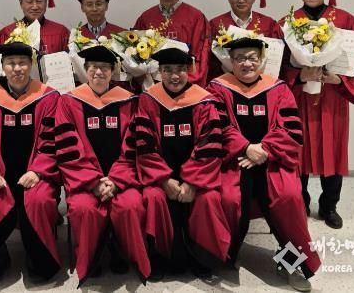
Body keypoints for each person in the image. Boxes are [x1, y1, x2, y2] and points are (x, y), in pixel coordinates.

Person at [207, 37, 320, 292]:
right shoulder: (217, 88)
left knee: (289, 198)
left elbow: (290, 128)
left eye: (252, 58)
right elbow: (216, 126)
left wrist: (264, 150)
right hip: (234, 160)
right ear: (231, 61)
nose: (246, 63)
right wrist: (246, 147)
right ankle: (226, 257)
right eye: (240, 58)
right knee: (228, 198)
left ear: (261, 60)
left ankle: (291, 263)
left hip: (273, 160)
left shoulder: (278, 89)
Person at [280, 0, 354, 229]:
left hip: (332, 98)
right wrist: (299, 75)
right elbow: (277, 66)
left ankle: (329, 206)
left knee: (334, 149)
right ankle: (301, 202)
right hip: (299, 98)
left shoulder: (345, 20)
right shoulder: (288, 22)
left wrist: (339, 79)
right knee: (298, 150)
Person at [0, 42, 62, 283]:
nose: (16, 68)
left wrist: (38, 171)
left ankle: (38, 259)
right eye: (10, 63)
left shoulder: (49, 97)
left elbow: (52, 141)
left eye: (22, 63)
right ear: (3, 66)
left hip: (36, 172)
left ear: (31, 65)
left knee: (39, 200)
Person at [54, 45, 150, 285]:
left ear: (112, 72)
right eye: (94, 67)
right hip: (85, 182)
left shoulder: (128, 101)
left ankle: (121, 251)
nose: (99, 72)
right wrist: (93, 182)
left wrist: (116, 181)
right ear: (85, 70)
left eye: (105, 67)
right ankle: (91, 259)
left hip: (122, 179)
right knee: (84, 209)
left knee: (130, 205)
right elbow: (68, 148)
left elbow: (133, 145)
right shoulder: (68, 102)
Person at [134, 47, 231, 280]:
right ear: (159, 72)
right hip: (161, 178)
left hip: (197, 179)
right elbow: (144, 145)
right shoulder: (148, 100)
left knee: (209, 199)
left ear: (189, 71)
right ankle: (160, 259)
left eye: (180, 70)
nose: (174, 76)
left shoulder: (204, 101)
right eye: (167, 70)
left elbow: (210, 144)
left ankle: (202, 259)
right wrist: (164, 179)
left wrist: (192, 182)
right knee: (153, 197)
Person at [133, 0, 210, 86]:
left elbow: (201, 53)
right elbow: (137, 54)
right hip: (153, 84)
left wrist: (187, 81)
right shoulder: (146, 18)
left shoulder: (196, 17)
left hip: (186, 82)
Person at [208, 0, 280, 81]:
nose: (241, 0)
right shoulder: (215, 24)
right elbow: (209, 62)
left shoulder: (269, 24)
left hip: (260, 83)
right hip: (225, 83)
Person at [0, 0, 70, 54]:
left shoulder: (61, 32)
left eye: (39, 1)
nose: (35, 7)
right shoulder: (6, 33)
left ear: (46, 2)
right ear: (21, 3)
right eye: (29, 2)